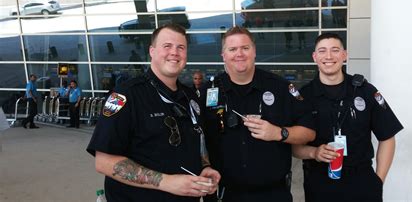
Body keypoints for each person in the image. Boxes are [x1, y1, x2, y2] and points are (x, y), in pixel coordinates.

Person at [87, 24, 221, 202]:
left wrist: (204, 167)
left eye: (181, 47)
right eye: (167, 46)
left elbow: (197, 141)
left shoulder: (190, 98)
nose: (174, 52)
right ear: (152, 51)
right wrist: (166, 182)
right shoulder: (124, 96)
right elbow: (104, 162)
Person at [201, 26, 315, 202]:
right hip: (224, 194)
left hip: (273, 194)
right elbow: (196, 140)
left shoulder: (281, 88)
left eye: (245, 48)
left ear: (254, 51)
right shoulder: (208, 92)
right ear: (223, 55)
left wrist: (279, 133)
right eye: (232, 49)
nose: (239, 54)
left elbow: (309, 131)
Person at [292, 33, 404, 202]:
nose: (328, 56)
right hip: (320, 183)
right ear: (315, 57)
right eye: (322, 51)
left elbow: (387, 136)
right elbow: (294, 147)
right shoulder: (303, 97)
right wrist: (314, 152)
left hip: (362, 182)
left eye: (335, 50)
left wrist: (378, 181)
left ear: (344, 55)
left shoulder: (365, 91)